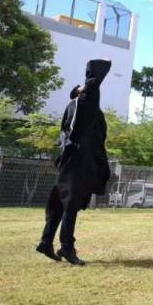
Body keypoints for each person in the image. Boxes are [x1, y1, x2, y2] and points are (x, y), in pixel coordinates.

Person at [36, 59, 112, 266]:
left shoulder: (72, 106)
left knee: (60, 203)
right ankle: (67, 248)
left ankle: (45, 241)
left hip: (70, 159)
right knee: (70, 204)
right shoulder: (85, 105)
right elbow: (93, 84)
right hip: (79, 161)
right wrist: (100, 66)